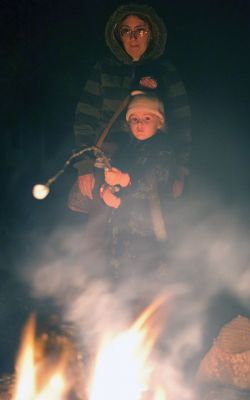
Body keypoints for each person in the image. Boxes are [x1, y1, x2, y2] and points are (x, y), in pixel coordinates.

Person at [69, 3, 191, 212]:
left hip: (151, 165)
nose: (133, 37)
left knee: (148, 225)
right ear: (118, 36)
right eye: (126, 31)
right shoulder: (104, 69)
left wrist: (179, 171)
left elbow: (182, 123)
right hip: (105, 165)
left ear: (151, 34)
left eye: (140, 30)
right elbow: (84, 119)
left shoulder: (165, 72)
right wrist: (84, 166)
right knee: (98, 232)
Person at [98, 92, 177, 282]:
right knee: (120, 270)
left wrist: (125, 180)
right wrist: (107, 191)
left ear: (159, 122)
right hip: (122, 225)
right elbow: (114, 175)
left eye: (146, 118)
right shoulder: (127, 147)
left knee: (148, 273)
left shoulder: (162, 148)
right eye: (134, 119)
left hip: (150, 226)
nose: (139, 124)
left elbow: (157, 179)